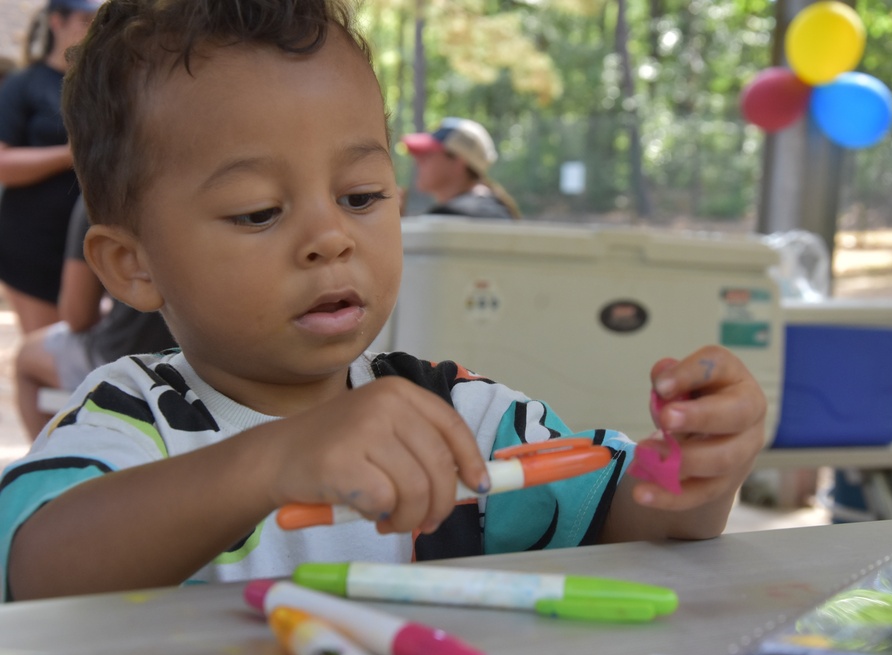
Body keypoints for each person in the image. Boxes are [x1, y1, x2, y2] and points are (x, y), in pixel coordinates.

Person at [0, 0, 767, 602]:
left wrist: (693, 469)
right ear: (132, 266)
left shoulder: (462, 419)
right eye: (259, 211)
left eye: (362, 195)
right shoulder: (133, 423)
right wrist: (273, 459)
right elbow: (37, 569)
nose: (330, 238)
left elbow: (629, 525)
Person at [14, 196, 177, 438]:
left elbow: (78, 316)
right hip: (201, 354)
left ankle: (55, 466)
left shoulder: (102, 195)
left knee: (27, 357)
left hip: (132, 355)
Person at [0, 0, 103, 335]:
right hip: (32, 246)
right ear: (57, 22)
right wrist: (70, 155)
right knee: (48, 347)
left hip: (86, 244)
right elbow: (3, 163)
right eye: (85, 19)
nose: (91, 27)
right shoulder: (23, 84)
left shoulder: (100, 85)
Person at [402, 117, 522, 219]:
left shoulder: (456, 214)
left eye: (428, 155)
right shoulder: (496, 209)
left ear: (459, 161)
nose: (418, 162)